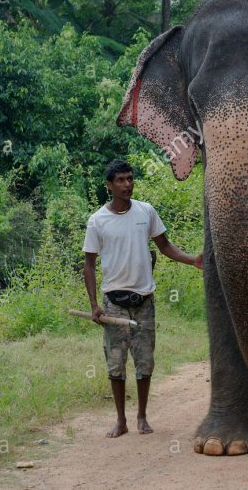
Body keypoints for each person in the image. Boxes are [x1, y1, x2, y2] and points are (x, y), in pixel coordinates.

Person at [82, 159, 203, 438]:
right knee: (115, 364)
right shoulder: (97, 220)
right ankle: (121, 420)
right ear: (109, 185)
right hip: (113, 303)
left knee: (144, 362)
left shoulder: (146, 211)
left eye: (130, 178)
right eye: (121, 180)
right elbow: (89, 264)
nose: (127, 184)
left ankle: (142, 417)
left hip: (144, 301)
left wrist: (191, 260)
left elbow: (164, 246)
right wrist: (94, 305)